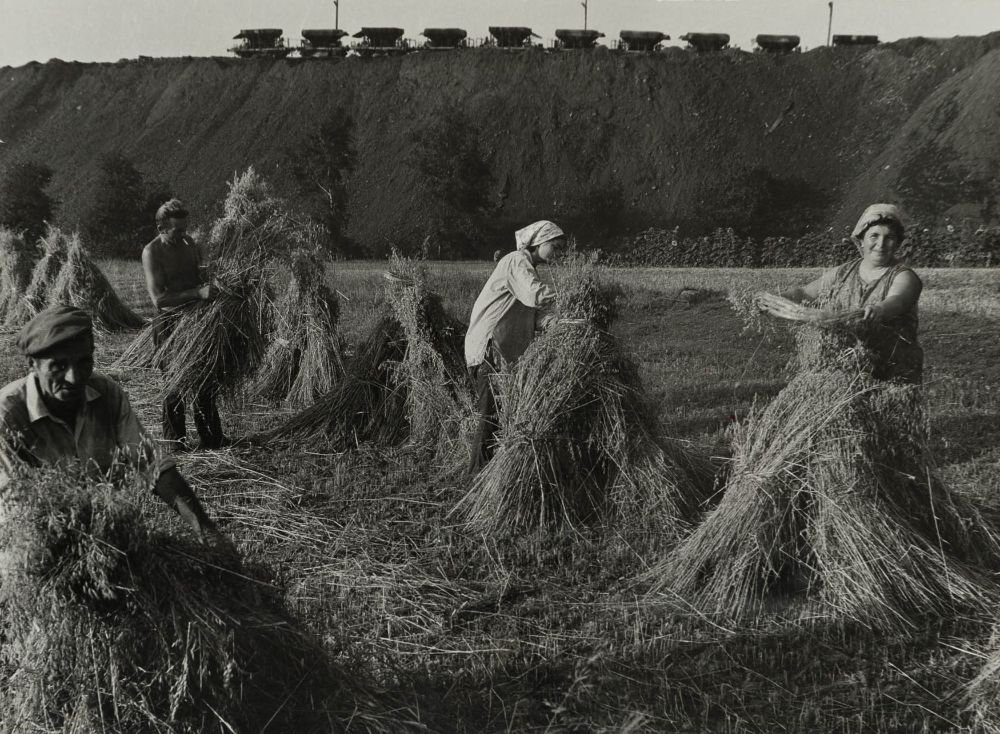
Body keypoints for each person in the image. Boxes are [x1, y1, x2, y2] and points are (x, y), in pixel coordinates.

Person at [0, 306, 224, 543]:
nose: (74, 378)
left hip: (104, 530)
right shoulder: (8, 416)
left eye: (84, 362)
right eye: (58, 366)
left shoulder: (106, 394)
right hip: (31, 542)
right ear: (32, 364)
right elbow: (20, 509)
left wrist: (206, 529)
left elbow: (151, 464)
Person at [780, 203, 924, 383]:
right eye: (874, 236)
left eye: (889, 237)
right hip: (848, 368)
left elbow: (898, 300)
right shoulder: (844, 272)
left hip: (892, 373)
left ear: (897, 243)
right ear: (861, 240)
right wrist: (779, 298)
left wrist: (879, 309)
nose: (881, 244)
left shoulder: (904, 276)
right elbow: (806, 292)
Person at [464, 220, 566, 474]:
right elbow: (534, 295)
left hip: (503, 354)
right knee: (491, 416)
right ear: (537, 242)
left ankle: (488, 473)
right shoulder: (515, 261)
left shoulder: (528, 271)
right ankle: (476, 476)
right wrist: (568, 294)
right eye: (553, 246)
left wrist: (560, 321)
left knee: (499, 415)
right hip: (489, 348)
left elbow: (536, 315)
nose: (557, 252)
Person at [141, 199, 224, 450]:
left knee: (204, 378)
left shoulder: (189, 244)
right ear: (161, 228)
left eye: (185, 229)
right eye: (177, 230)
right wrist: (197, 294)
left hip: (197, 320)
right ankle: (174, 441)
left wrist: (213, 279)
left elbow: (201, 274)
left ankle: (212, 438)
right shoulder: (152, 252)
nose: (183, 235)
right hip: (169, 324)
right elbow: (159, 299)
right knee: (174, 383)